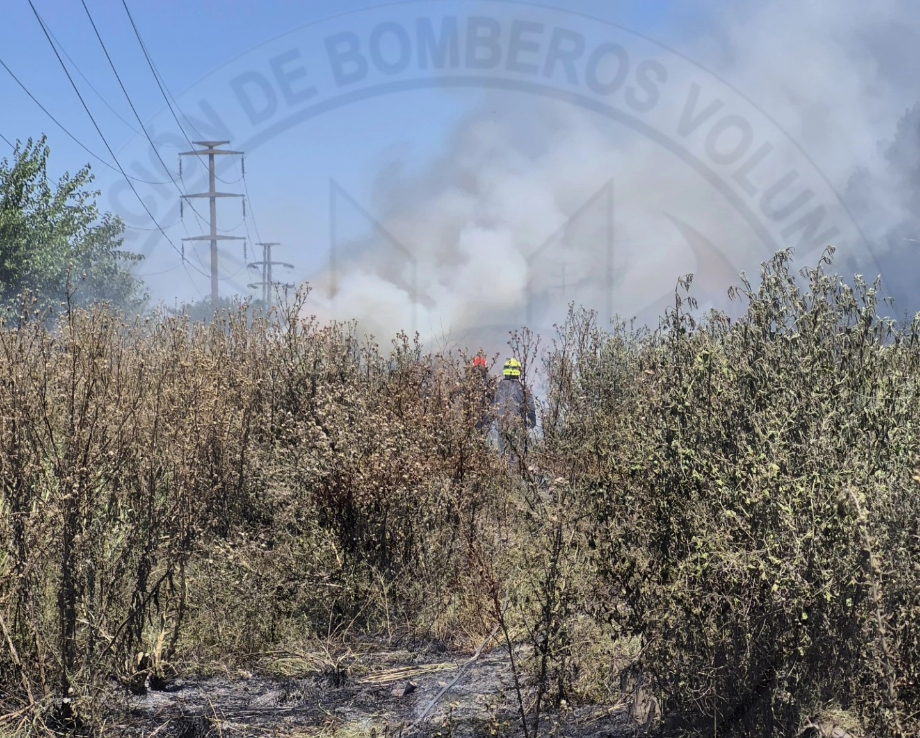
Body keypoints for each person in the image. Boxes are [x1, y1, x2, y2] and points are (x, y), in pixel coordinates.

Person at [491, 358, 536, 454]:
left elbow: (491, 406)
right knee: (518, 453)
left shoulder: (497, 387)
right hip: (517, 426)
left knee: (503, 453)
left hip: (501, 426)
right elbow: (531, 407)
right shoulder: (522, 388)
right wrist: (532, 421)